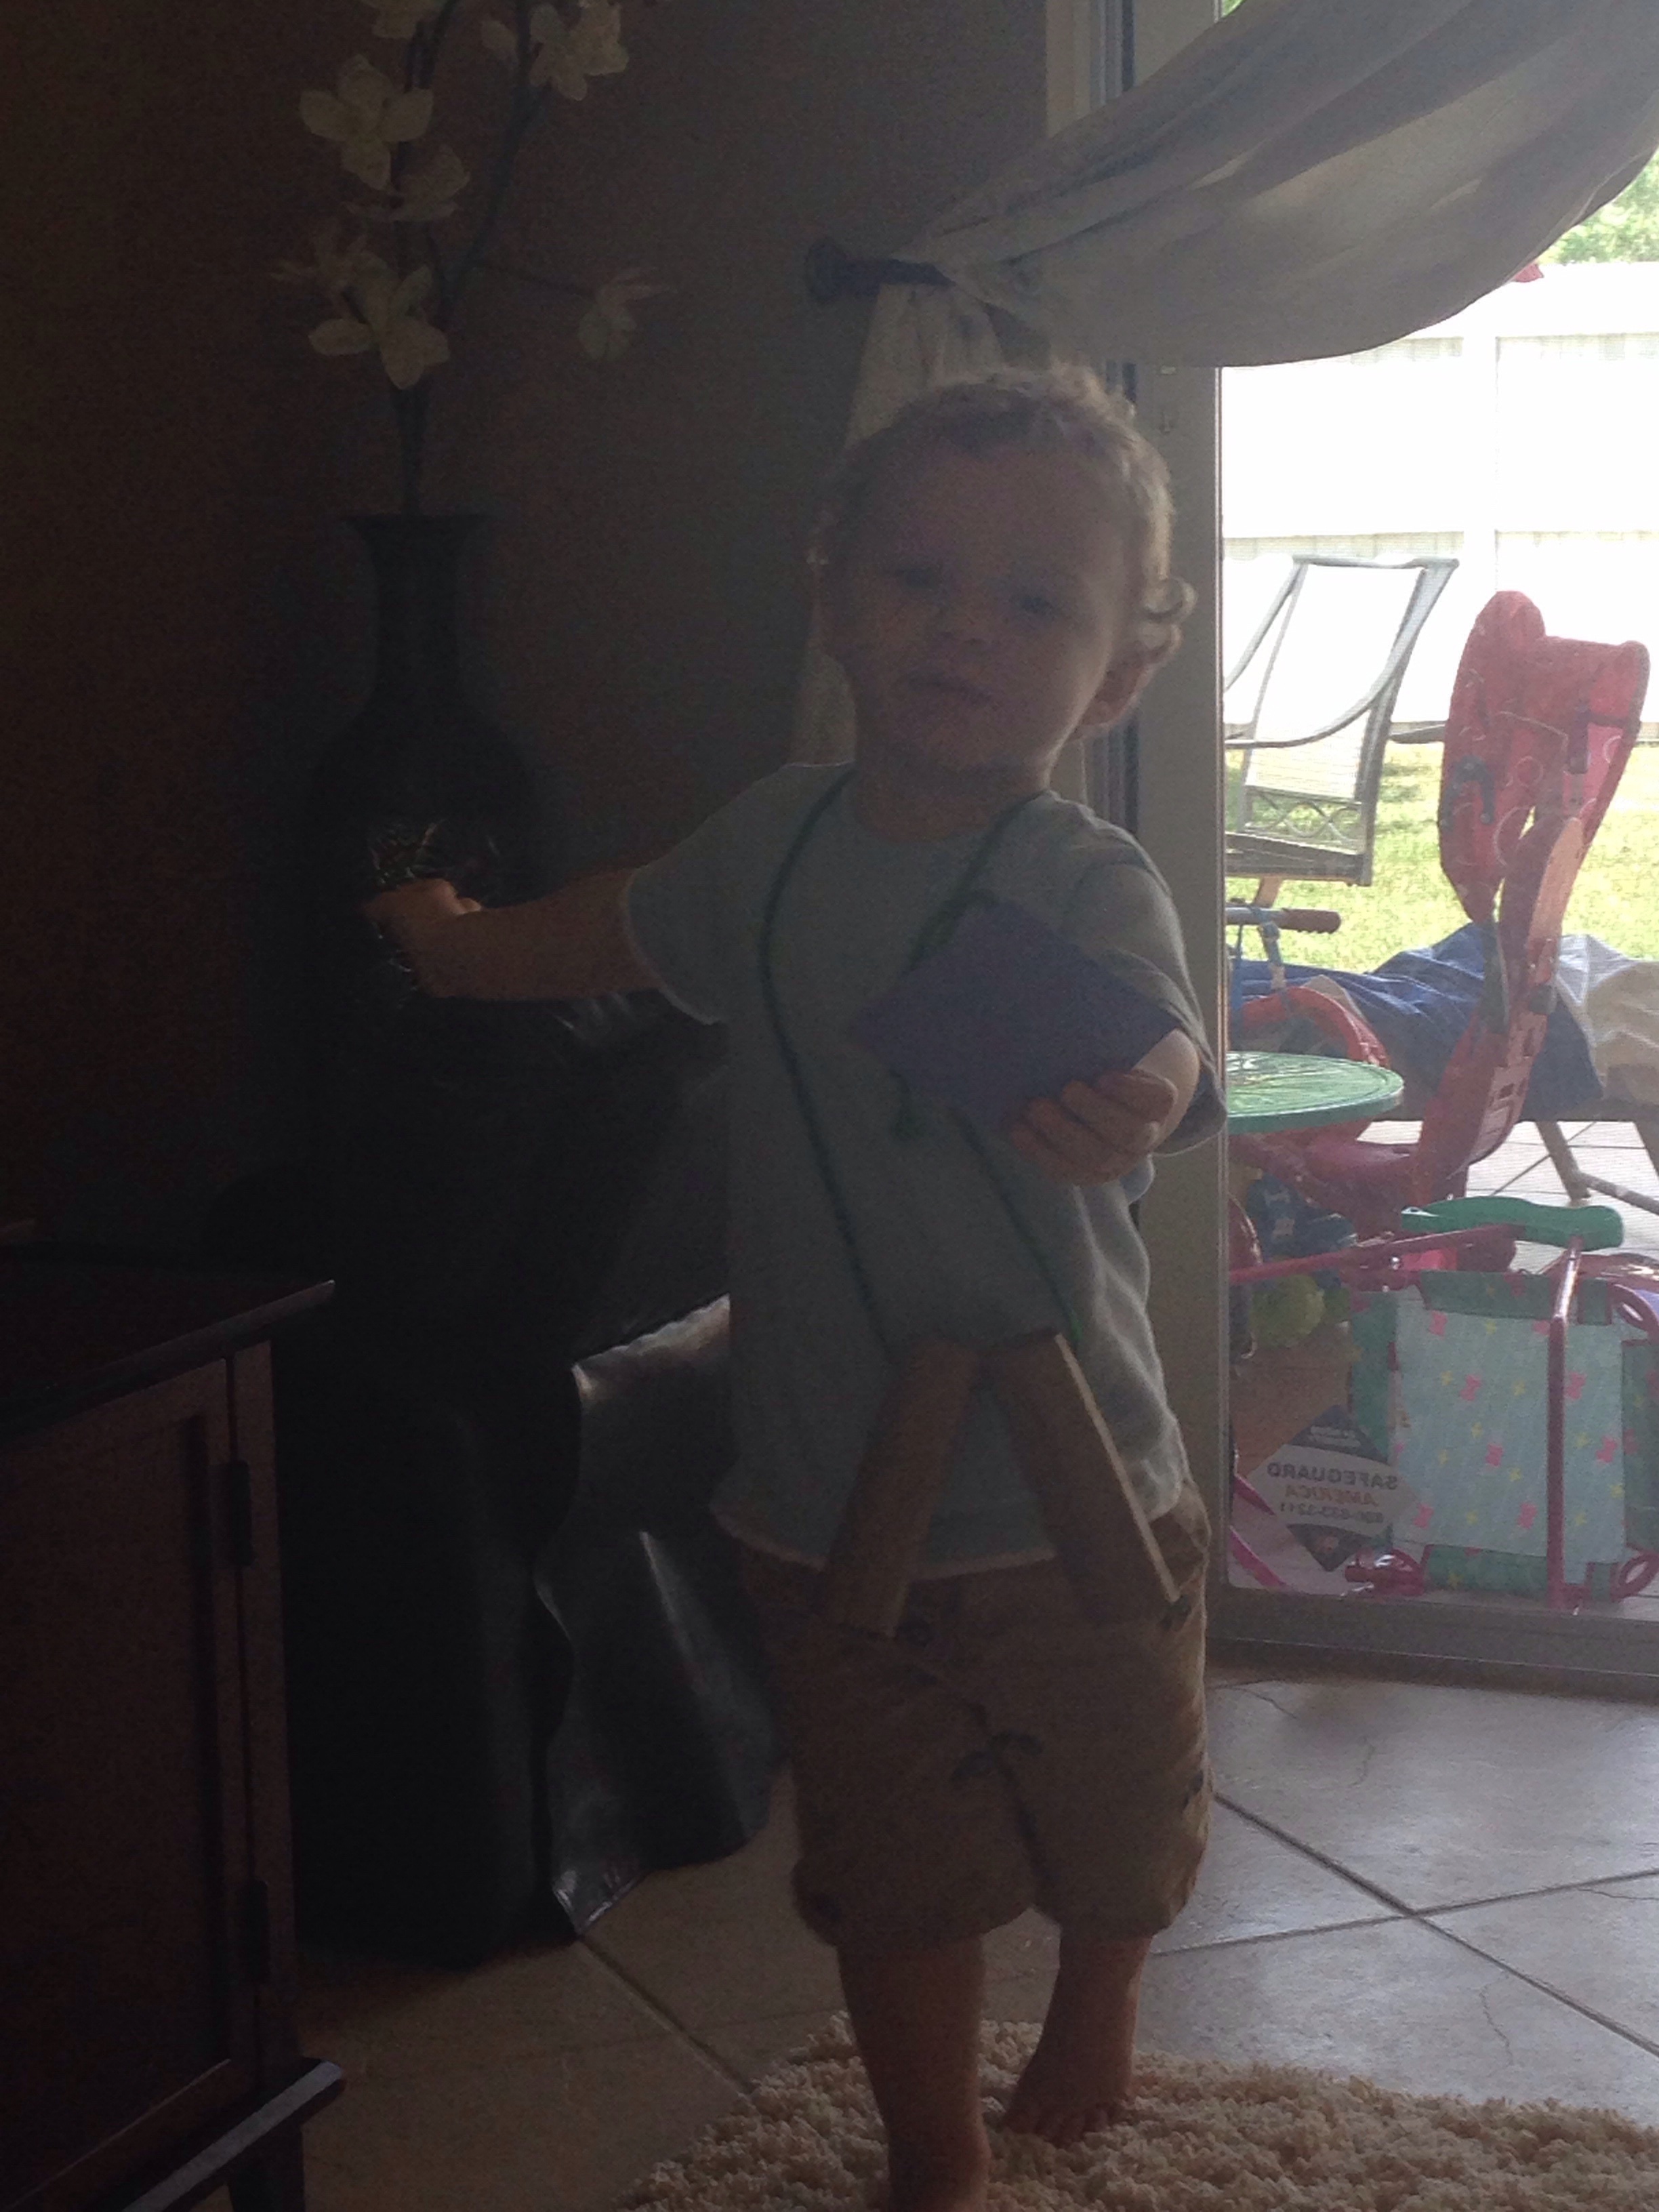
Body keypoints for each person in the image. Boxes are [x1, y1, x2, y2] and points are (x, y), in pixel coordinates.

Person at [370, 364, 1222, 2212]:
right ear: (831, 591)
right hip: (831, 1498)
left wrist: (1147, 1093)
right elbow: (617, 924)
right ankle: (933, 2156)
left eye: (1035, 604)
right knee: (889, 1864)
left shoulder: (1077, 874)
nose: (965, 629)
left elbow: (1168, 1035)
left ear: (1120, 672)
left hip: (1076, 1482)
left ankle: (1101, 2000)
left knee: (1120, 1807)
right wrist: (461, 950)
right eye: (919, 577)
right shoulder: (770, 848)